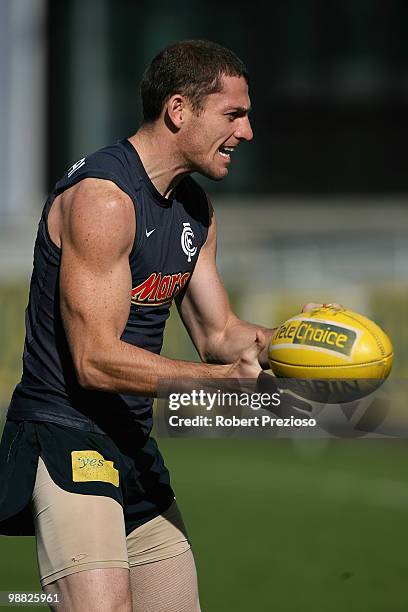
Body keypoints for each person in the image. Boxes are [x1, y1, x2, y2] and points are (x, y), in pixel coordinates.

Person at [0, 40, 310, 612]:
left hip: (131, 445)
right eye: (234, 115)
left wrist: (295, 343)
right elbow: (94, 361)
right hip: (64, 433)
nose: (248, 133)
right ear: (178, 110)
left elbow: (220, 334)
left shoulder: (196, 209)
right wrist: (220, 382)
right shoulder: (105, 199)